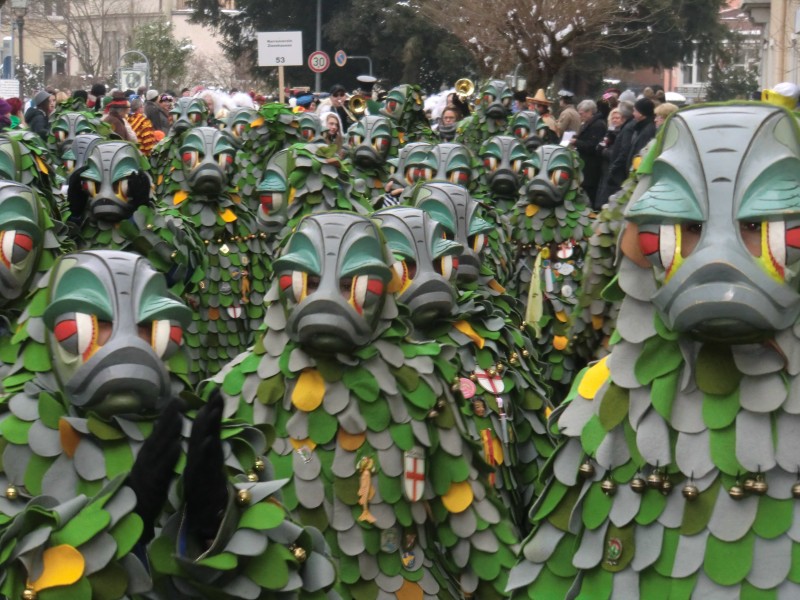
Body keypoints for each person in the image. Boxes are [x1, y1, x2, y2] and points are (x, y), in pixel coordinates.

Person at [596, 100, 636, 206]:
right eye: (613, 118)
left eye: (617, 117)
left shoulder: (627, 129)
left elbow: (622, 151)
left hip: (616, 168)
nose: (615, 120)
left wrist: (605, 152)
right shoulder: (611, 131)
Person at [572, 99, 607, 207]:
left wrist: (576, 142)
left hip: (591, 166)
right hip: (585, 163)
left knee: (590, 192)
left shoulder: (598, 125)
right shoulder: (588, 123)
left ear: (590, 112)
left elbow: (592, 145)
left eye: (581, 113)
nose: (580, 116)